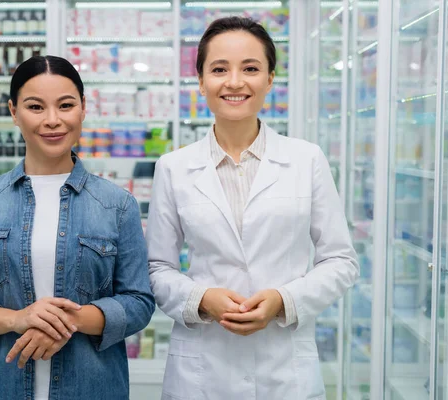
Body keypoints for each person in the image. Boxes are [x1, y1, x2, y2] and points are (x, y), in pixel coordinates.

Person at [146, 17, 359, 400]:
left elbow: (341, 261)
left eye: (250, 68)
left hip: (285, 370)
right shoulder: (173, 168)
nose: (234, 82)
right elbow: (156, 268)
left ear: (270, 80)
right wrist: (201, 299)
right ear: (200, 82)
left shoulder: (306, 159)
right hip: (202, 370)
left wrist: (284, 301)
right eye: (219, 69)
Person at [0, 55, 154, 400]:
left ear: (83, 108)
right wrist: (17, 319)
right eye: (36, 107)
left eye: (65, 105)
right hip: (0, 389)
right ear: (13, 111)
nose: (53, 120)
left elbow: (139, 302)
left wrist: (68, 321)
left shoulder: (117, 204)